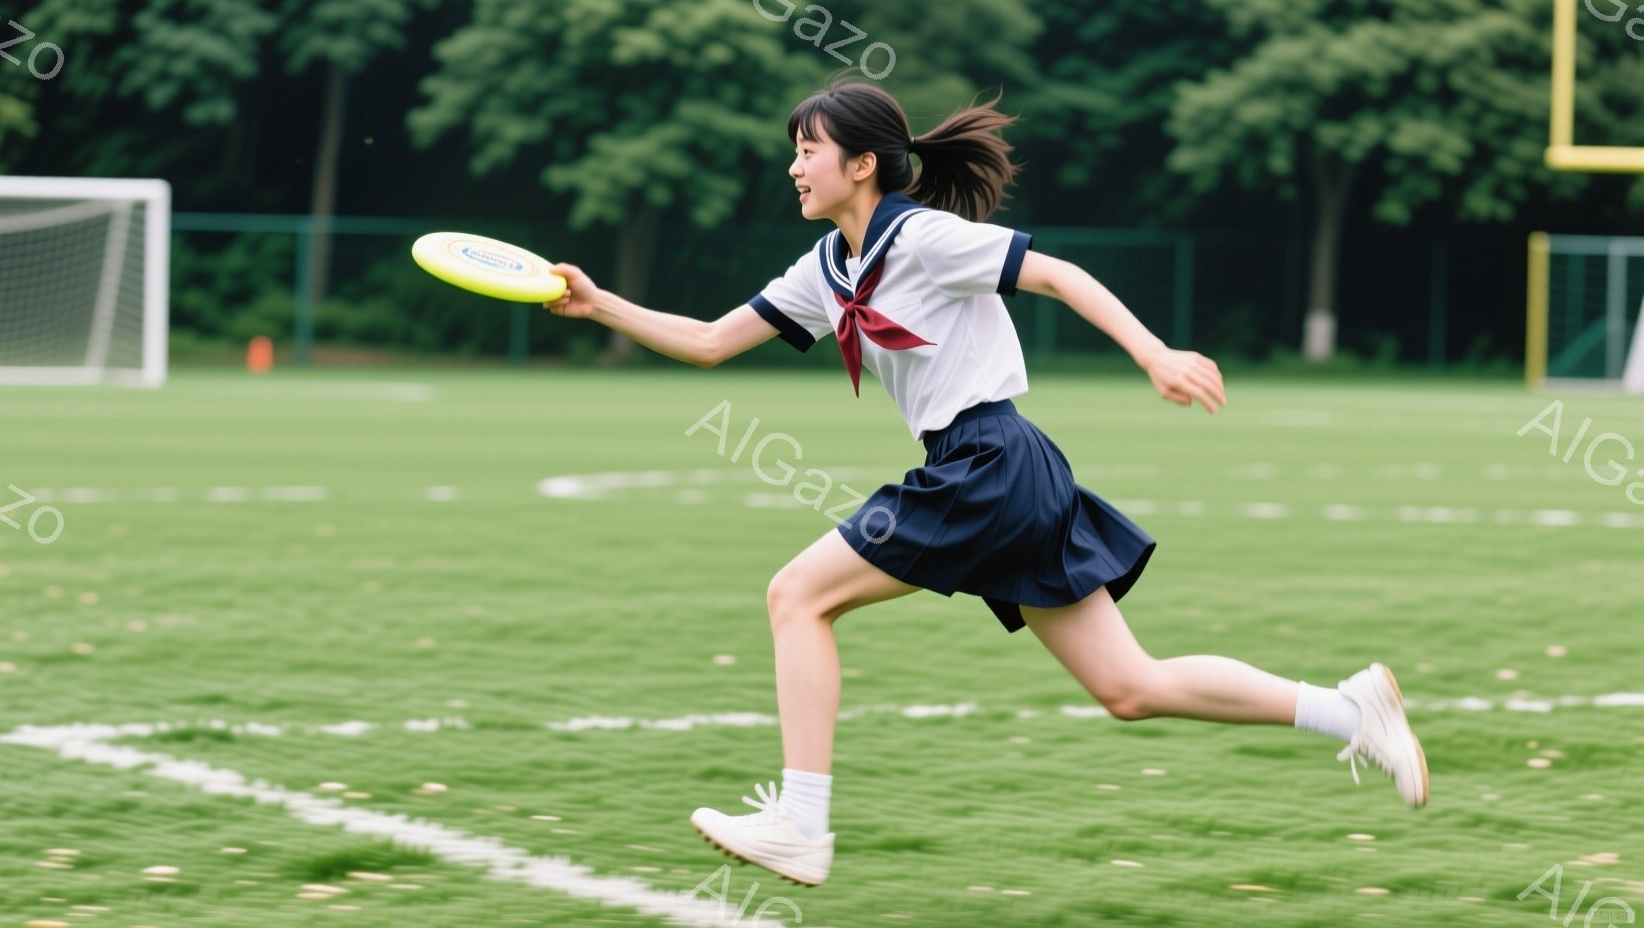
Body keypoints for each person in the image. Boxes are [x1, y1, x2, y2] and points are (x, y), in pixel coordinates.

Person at [543, 81, 1427, 888]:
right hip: (1000, 469)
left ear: (860, 164)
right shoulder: (825, 268)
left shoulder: (924, 238)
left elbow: (1058, 273)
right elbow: (706, 341)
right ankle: (1349, 711)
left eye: (807, 149)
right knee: (1131, 689)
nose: (793, 165)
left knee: (796, 596)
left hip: (989, 461)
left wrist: (1153, 353)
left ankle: (802, 826)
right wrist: (599, 302)